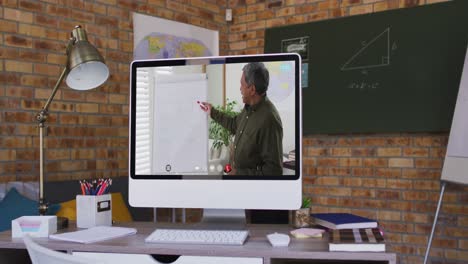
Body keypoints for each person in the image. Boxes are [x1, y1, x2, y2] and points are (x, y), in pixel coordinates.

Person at [199, 62, 283, 176]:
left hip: (250, 189)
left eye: (242, 84)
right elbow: (234, 124)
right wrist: (212, 111)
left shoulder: (269, 120)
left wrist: (239, 173)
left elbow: (274, 171)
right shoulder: (249, 108)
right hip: (236, 182)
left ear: (252, 90)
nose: (240, 88)